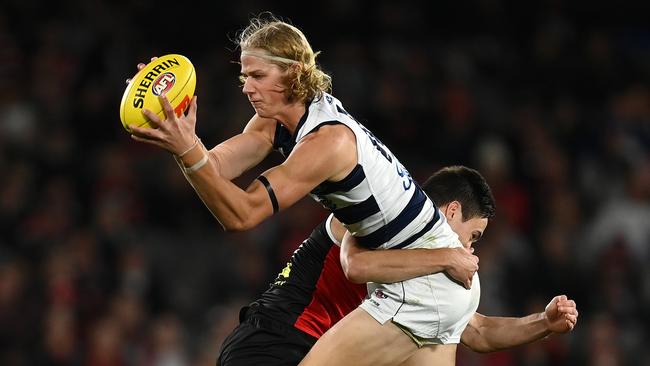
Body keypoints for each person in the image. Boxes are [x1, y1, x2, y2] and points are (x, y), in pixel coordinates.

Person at [127, 14, 550, 365]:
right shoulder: (284, 119)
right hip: (435, 281)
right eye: (243, 76)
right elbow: (214, 167)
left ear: (292, 74)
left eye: (257, 75)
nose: (246, 86)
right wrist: (174, 128)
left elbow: (242, 214)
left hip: (423, 285)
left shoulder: (326, 142)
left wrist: (187, 151)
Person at [217, 166, 578, 366]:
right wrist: (446, 256)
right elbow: (354, 265)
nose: (470, 248)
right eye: (474, 235)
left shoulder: (428, 280)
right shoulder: (384, 212)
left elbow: (477, 332)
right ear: (451, 211)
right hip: (273, 339)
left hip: (311, 351)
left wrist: (543, 323)